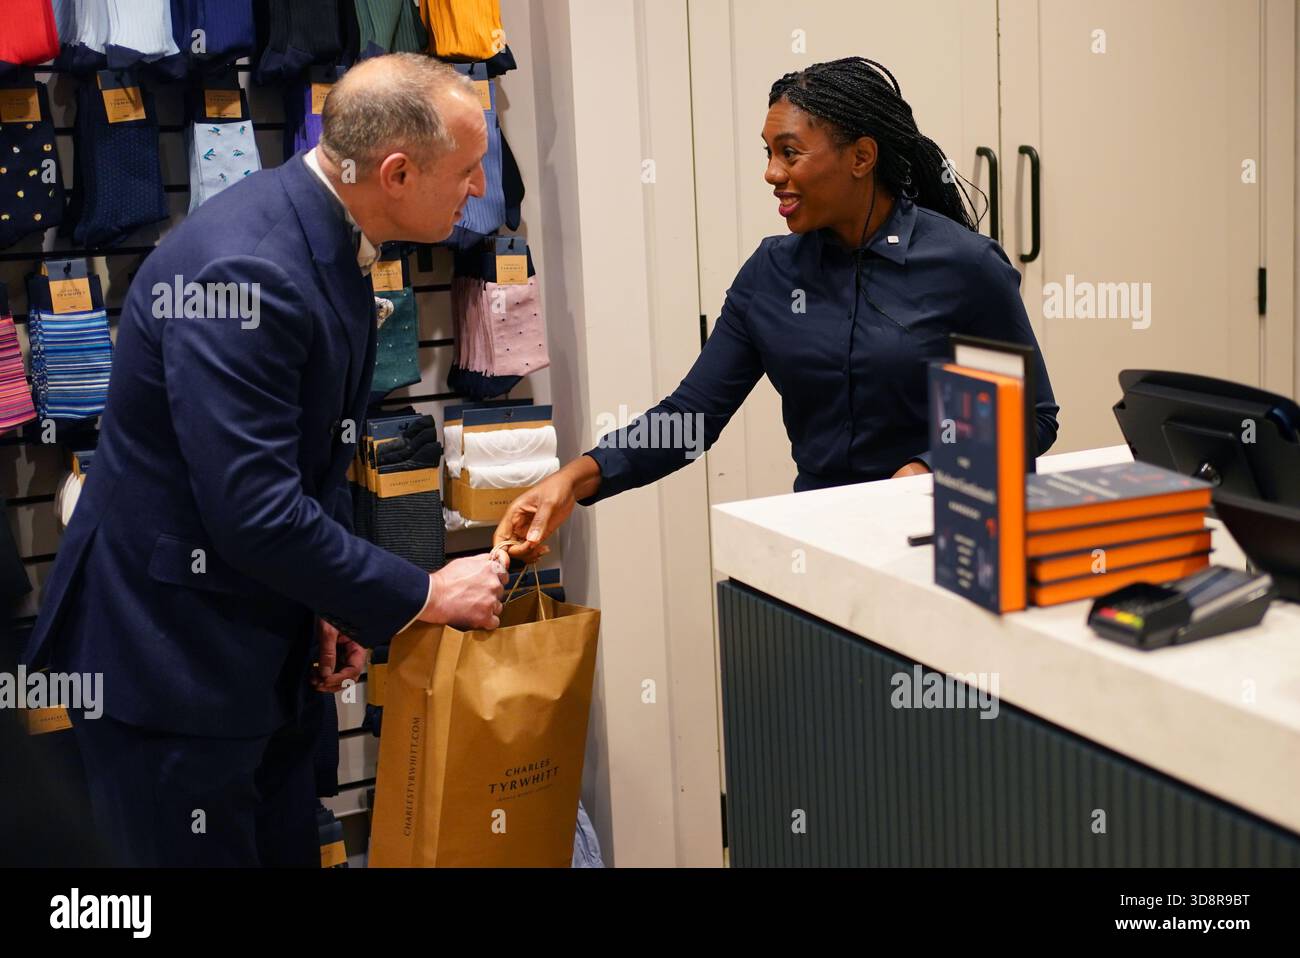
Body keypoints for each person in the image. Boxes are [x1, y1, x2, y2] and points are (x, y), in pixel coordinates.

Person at [23, 54, 507, 867]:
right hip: (172, 664)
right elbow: (251, 511)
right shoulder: (246, 272)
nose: (477, 187)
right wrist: (422, 592)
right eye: (466, 170)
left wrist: (328, 600)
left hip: (254, 647)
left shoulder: (325, 231)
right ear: (394, 172)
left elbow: (303, 460)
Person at [496, 56, 1058, 562]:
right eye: (769, 153)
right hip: (818, 543)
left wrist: (925, 471)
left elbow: (1031, 419)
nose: (771, 173)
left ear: (862, 156)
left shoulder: (965, 265)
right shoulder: (771, 273)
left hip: (943, 543)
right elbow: (692, 416)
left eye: (790, 152)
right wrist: (575, 477)